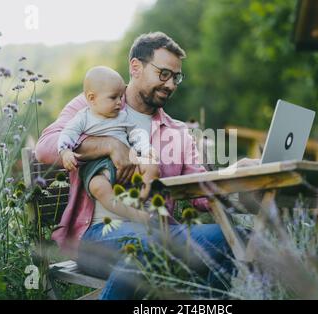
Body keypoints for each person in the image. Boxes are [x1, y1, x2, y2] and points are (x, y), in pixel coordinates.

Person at [35, 31, 237, 299]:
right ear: (136, 67)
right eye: (164, 74)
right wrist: (108, 144)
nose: (171, 84)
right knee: (147, 249)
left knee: (237, 238)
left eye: (176, 77)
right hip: (98, 235)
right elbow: (45, 147)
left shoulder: (177, 131)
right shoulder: (92, 106)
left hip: (159, 231)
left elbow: (199, 192)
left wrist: (237, 178)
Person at [58, 66, 159, 222]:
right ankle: (133, 215)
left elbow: (136, 133)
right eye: (113, 98)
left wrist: (145, 149)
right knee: (98, 187)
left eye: (121, 97)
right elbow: (68, 134)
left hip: (127, 163)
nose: (120, 102)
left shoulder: (122, 116)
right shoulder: (83, 117)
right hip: (98, 168)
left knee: (152, 167)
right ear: (92, 98)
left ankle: (139, 201)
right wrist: (65, 152)